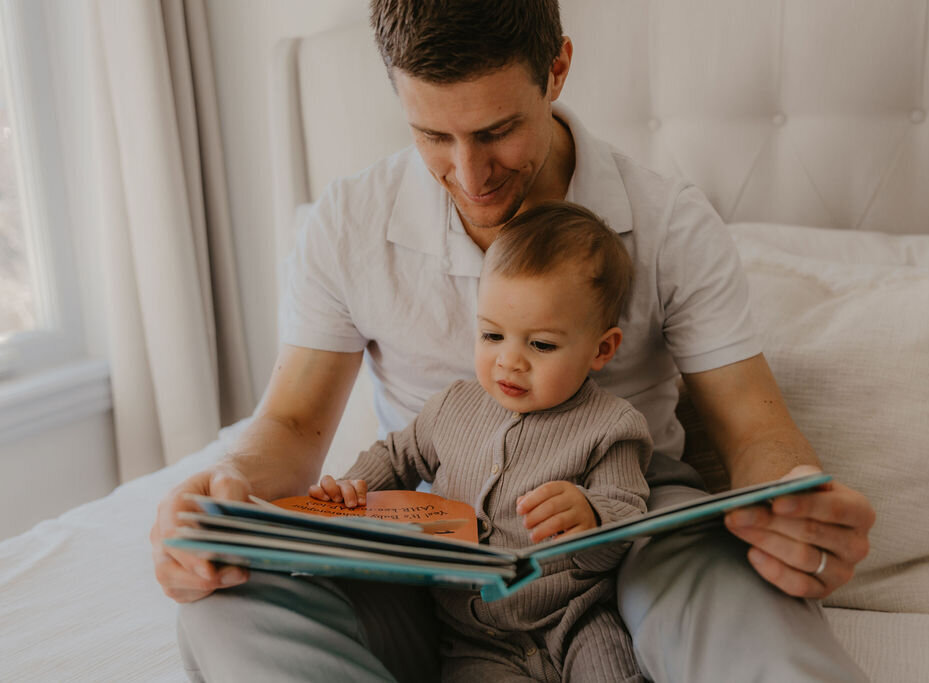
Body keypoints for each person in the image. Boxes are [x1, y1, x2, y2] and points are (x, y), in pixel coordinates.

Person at [163, 1, 875, 681]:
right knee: (221, 596)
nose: (469, 177)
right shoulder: (348, 224)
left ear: (557, 70)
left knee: (739, 594)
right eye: (434, 137)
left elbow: (754, 428)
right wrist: (223, 497)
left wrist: (793, 507)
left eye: (497, 130)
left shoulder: (672, 224)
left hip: (632, 530)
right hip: (437, 549)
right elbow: (290, 425)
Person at [311, 202, 652, 682]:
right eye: (492, 335)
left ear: (601, 349)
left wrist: (592, 516)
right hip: (472, 637)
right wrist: (350, 490)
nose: (509, 362)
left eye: (541, 345)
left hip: (575, 618)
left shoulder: (611, 425)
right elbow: (396, 456)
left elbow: (628, 514)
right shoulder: (453, 406)